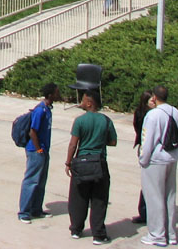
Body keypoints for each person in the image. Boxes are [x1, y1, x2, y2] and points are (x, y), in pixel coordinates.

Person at [65, 88, 117, 243]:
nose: (80, 102)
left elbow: (73, 144)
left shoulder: (80, 121)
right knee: (99, 199)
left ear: (89, 103)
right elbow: (113, 142)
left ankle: (76, 229)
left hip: (81, 163)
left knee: (78, 198)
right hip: (99, 163)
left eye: (82, 99)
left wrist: (68, 163)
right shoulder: (106, 120)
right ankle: (99, 234)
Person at [139, 85, 178, 247]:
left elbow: (148, 141)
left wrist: (143, 160)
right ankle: (171, 234)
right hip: (172, 158)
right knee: (169, 197)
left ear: (154, 97)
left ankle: (157, 235)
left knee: (154, 198)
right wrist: (176, 155)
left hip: (156, 161)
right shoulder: (176, 113)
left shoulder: (153, 115)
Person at [18, 82, 59, 223]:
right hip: (36, 151)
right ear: (50, 94)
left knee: (41, 181)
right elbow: (33, 131)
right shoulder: (39, 110)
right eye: (56, 92)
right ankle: (24, 212)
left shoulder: (48, 109)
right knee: (31, 180)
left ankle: (36, 209)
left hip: (43, 150)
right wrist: (39, 149)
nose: (58, 94)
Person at [131, 90, 155, 227]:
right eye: (151, 100)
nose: (154, 102)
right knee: (147, 182)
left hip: (146, 148)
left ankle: (147, 211)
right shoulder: (144, 115)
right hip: (145, 149)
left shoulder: (154, 114)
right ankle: (144, 212)